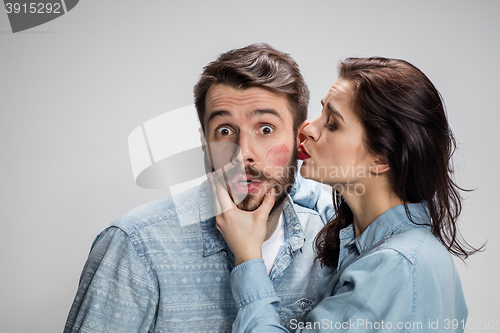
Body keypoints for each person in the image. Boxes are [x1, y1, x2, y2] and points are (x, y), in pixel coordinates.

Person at [63, 43, 335, 333]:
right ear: (205, 142)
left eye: (265, 129)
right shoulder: (136, 247)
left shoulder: (330, 243)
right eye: (225, 131)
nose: (242, 153)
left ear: (300, 140)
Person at [213, 57, 479, 332]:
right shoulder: (375, 233)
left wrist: (247, 257)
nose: (307, 129)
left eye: (332, 124)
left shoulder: (394, 266)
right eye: (321, 114)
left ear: (380, 159)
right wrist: (268, 171)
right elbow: (321, 201)